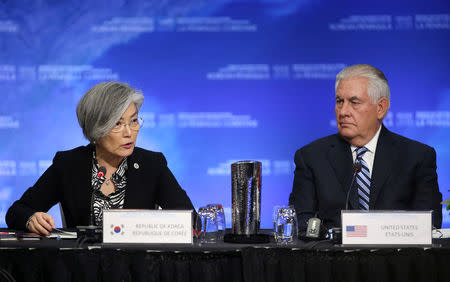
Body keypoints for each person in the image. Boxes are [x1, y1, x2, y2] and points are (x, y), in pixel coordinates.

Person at [6, 82, 195, 235]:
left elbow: (192, 219)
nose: (129, 132)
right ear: (96, 129)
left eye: (134, 121)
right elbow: (17, 211)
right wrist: (31, 219)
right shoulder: (69, 164)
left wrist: (149, 223)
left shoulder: (152, 165)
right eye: (117, 124)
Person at [289, 64, 442, 232]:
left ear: (380, 108)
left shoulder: (417, 157)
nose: (343, 111)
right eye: (339, 101)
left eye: (354, 102)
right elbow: (300, 222)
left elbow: (429, 224)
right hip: (332, 255)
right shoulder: (312, 156)